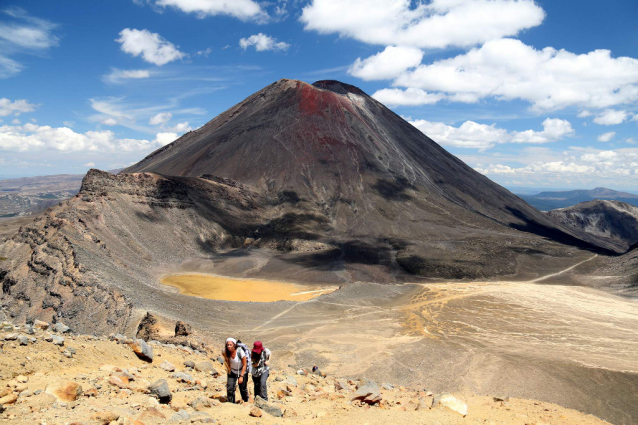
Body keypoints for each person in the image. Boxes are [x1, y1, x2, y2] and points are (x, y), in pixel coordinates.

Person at [222, 337, 249, 403]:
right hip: (232, 371)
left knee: (242, 388)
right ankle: (231, 403)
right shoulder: (225, 351)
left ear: (234, 345)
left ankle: (246, 401)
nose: (229, 346)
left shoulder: (240, 352)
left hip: (241, 371)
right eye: (227, 345)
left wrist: (241, 376)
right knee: (230, 387)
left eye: (230, 345)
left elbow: (244, 364)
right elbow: (226, 359)